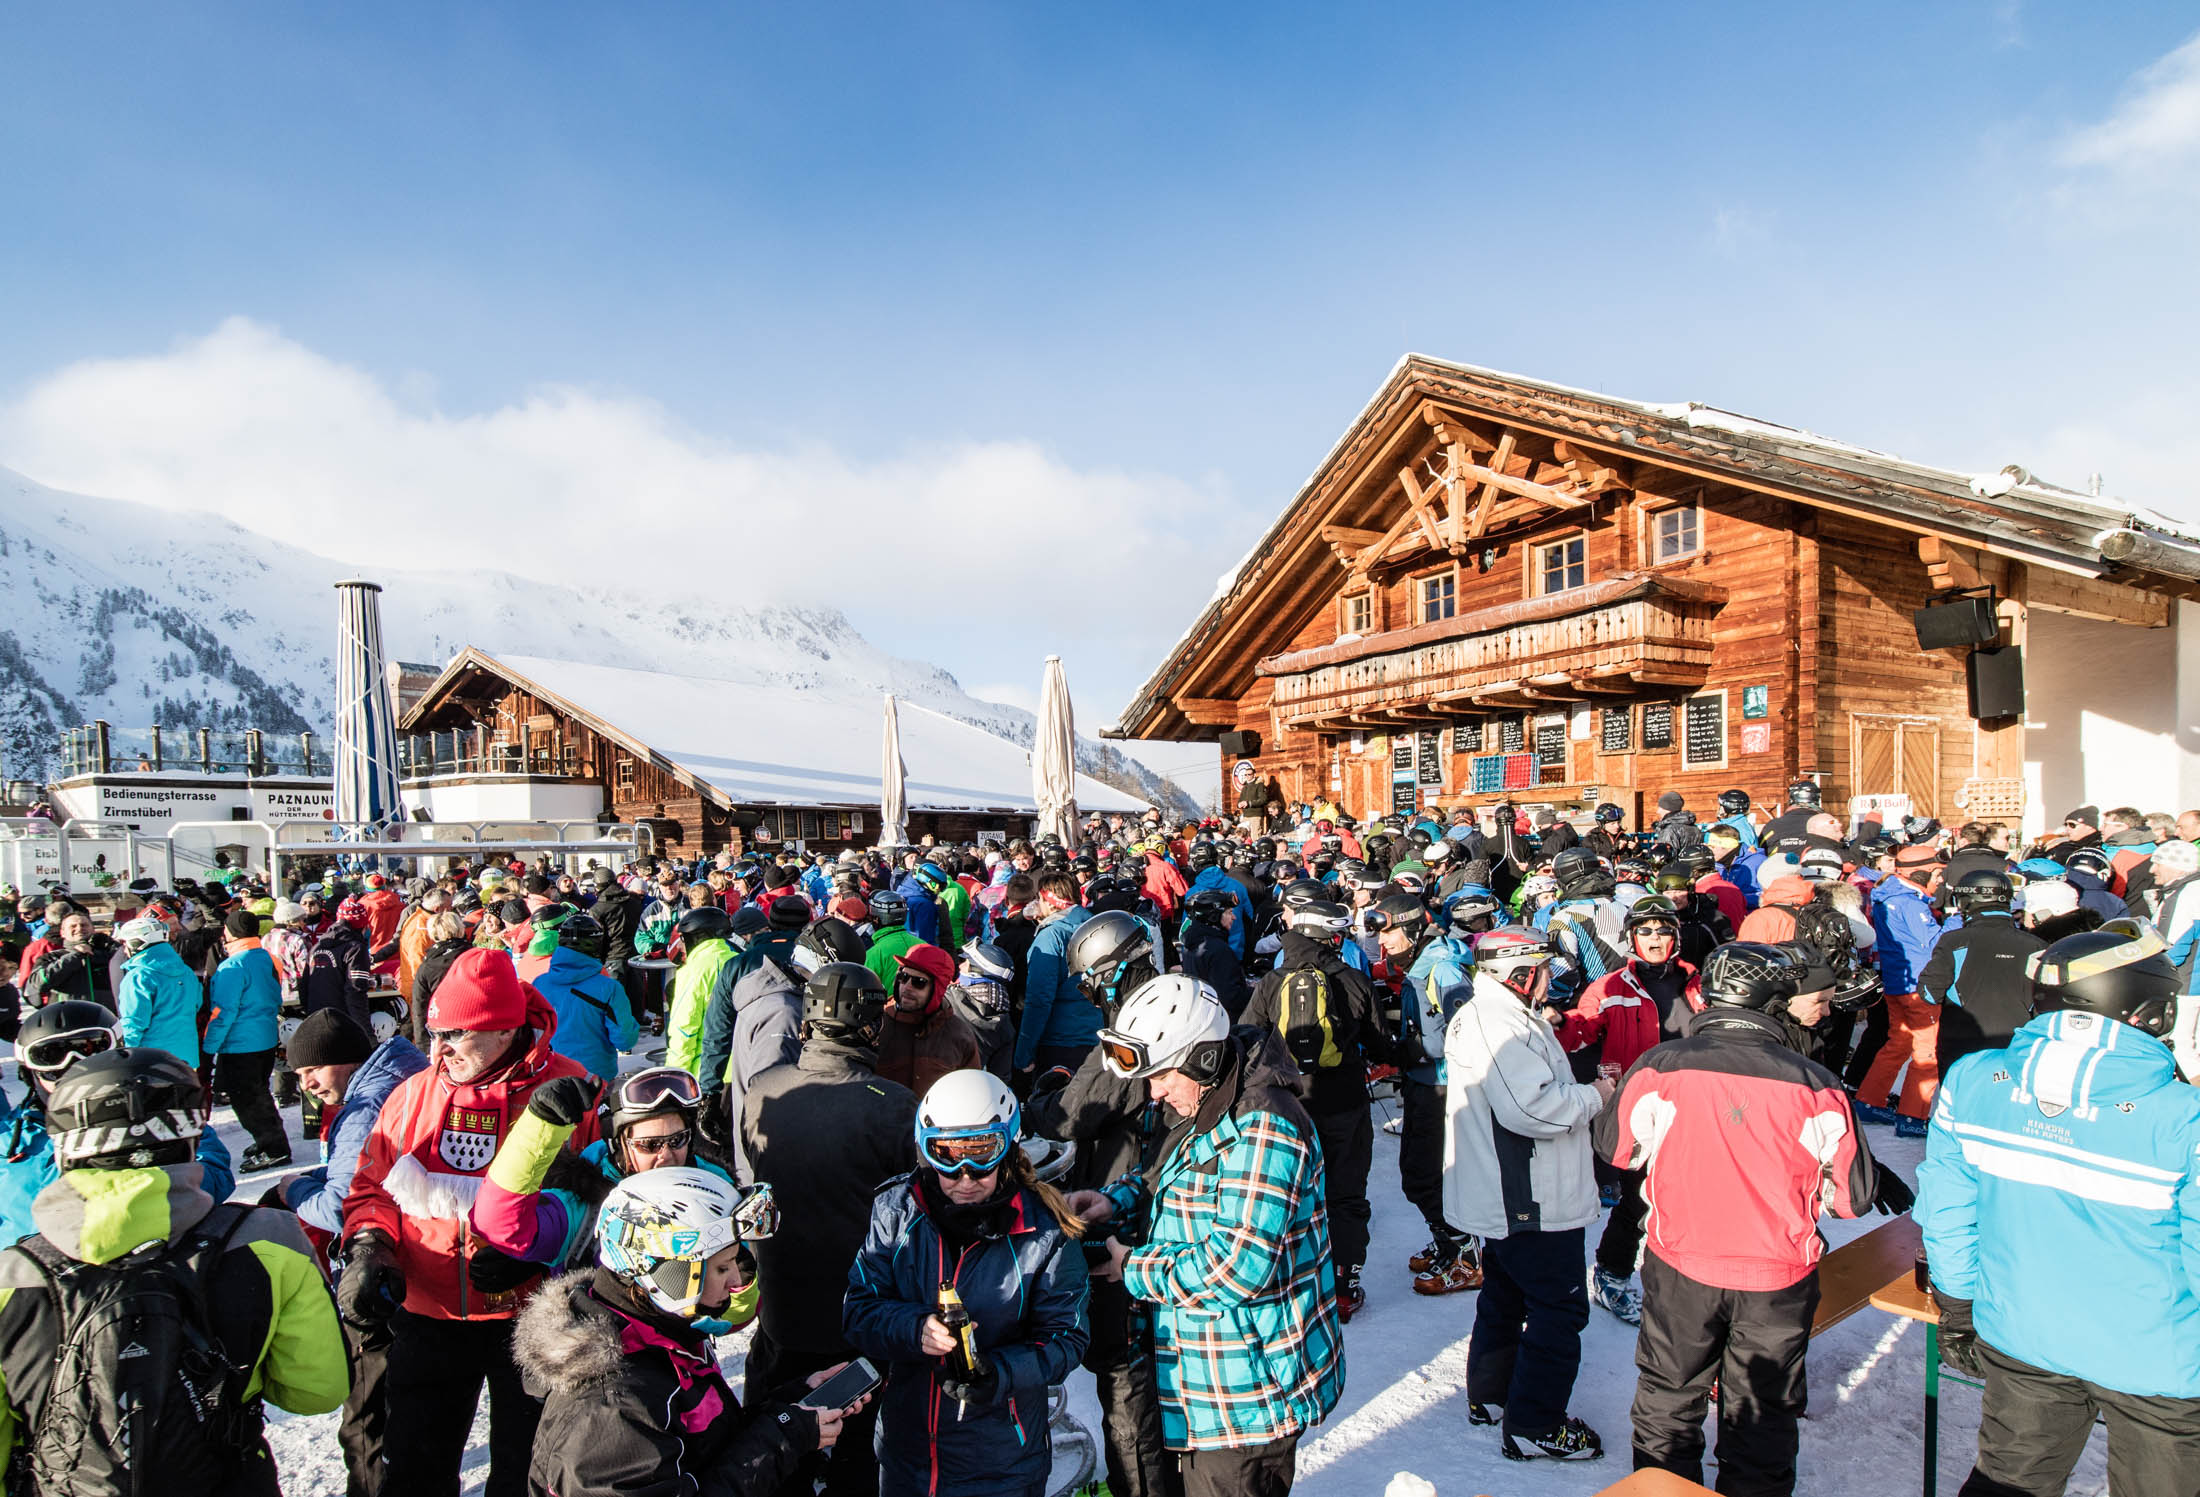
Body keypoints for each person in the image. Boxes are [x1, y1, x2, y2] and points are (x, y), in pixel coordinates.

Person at [1917, 923, 2200, 1496]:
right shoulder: (2183, 1116)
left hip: (2022, 1334)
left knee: (2008, 1482)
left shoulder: (1973, 1080)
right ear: (2151, 1012)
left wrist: (1957, 1305)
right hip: (2162, 1361)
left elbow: (1947, 1210)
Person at [1595, 943, 1881, 1497]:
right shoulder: (1815, 1081)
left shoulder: (1661, 1064)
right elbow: (1852, 1198)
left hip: (1682, 1261)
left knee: (1669, 1397)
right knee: (1761, 1409)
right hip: (1775, 1272)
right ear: (1774, 1004)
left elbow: (1619, 1150)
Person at [0, 1046, 349, 1495]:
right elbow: (317, 1390)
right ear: (188, 1133)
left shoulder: (13, 1273)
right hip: (226, 1477)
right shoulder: (267, 1239)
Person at [339, 948, 598, 1497]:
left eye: (455, 1035)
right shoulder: (414, 1094)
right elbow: (371, 1187)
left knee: (526, 1471)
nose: (439, 1050)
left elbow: (598, 1201)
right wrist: (370, 1247)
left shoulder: (567, 1090)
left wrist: (534, 1253)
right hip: (428, 1314)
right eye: (435, 1034)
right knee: (414, 1470)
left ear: (504, 1029)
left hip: (533, 1316)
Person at [1074, 977, 1345, 1497]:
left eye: (1162, 1077)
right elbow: (1176, 1176)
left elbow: (1237, 1265)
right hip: (1207, 1381)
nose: (1153, 1092)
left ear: (1200, 1059)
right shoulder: (1212, 1102)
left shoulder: (1266, 1127)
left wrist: (1131, 1267)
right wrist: (1117, 1198)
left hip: (1247, 1400)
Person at [515, 1167, 859, 1497]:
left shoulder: (657, 1331)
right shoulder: (613, 1409)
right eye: (722, 1267)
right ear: (667, 1273)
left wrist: (787, 1408)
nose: (737, 1281)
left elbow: (699, 1451)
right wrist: (783, 1437)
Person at [844, 1070, 1091, 1497]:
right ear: (926, 1152)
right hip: (909, 1455)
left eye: (982, 1156)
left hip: (1001, 1462)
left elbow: (1067, 1337)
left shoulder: (1044, 1232)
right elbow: (859, 1310)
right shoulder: (898, 1212)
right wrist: (913, 1328)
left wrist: (1001, 1373)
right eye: (947, 1157)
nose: (964, 1177)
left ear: (1008, 1151)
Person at [740, 962, 917, 1497]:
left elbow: (753, 1174)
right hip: (860, 1322)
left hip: (783, 1311)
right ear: (869, 1027)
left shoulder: (763, 1089)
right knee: (860, 1460)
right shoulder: (893, 1107)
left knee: (775, 1450)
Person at [1018, 912, 1178, 1497]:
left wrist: (1040, 1099)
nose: (1085, 993)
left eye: (1089, 982)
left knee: (1125, 1374)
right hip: (1141, 1196)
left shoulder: (1133, 1031)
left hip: (1129, 1211)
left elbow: (1073, 1111)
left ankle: (1139, 1483)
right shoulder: (1167, 1009)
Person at [1443, 927, 1608, 1462]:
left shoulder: (1500, 1014)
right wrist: (1596, 1094)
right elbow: (1533, 1108)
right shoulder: (1498, 1022)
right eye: (1540, 970)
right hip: (1530, 1196)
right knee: (1557, 1310)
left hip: (1514, 1191)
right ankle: (1535, 1423)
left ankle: (1492, 1396)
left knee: (1506, 1294)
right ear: (1519, 973)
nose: (1546, 981)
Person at [274, 1007, 426, 1497]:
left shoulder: (365, 1106)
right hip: (422, 1258)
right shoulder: (405, 1071)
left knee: (366, 1405)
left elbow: (343, 1208)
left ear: (342, 1059)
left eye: (312, 1070)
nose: (308, 1085)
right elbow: (363, 1172)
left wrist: (291, 1192)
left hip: (384, 1264)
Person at [1553, 895, 1702, 1326]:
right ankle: (1612, 1272)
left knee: (1691, 1195)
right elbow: (1583, 1029)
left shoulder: (1697, 984)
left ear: (1675, 934)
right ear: (1632, 937)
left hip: (1694, 1104)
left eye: (1663, 929)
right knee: (1639, 1198)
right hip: (1638, 1108)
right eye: (1646, 930)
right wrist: (1560, 1025)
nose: (1655, 938)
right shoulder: (1611, 987)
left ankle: (1683, 1273)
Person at [1241, 895, 1384, 1320]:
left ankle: (1287, 1278)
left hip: (1288, 1105)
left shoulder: (1273, 980)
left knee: (1288, 1191)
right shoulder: (1354, 980)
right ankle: (1343, 1285)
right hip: (1345, 1102)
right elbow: (1379, 1043)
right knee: (1345, 1193)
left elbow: (1248, 1035)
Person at [0, 1001, 235, 1250]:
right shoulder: (8, 1140)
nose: (74, 1069)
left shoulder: (165, 1114)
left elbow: (214, 1175)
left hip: (151, 1264)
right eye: (52, 1057)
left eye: (92, 1051)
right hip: (39, 1275)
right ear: (31, 1073)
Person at [1376, 891, 1481, 1296]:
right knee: (1419, 1174)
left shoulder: (1443, 967)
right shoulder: (1425, 962)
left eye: (1390, 934)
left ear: (1413, 927)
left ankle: (1465, 1255)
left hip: (1444, 1086)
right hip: (1425, 1081)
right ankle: (1447, 1241)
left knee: (1427, 1176)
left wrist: (1414, 1048)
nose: (1383, 943)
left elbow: (1466, 1029)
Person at [1917, 868, 2045, 1079]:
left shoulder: (1954, 941)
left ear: (1967, 902)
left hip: (1963, 1048)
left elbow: (1930, 994)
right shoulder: (2036, 944)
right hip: (2017, 1047)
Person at [1860, 844, 1948, 1137]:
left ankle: (1869, 1100)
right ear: (1919, 874)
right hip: (1917, 987)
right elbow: (1934, 943)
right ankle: (1913, 1115)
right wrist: (1959, 921)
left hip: (1897, 982)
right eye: (1937, 874)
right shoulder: (1910, 903)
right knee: (1927, 1052)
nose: (1940, 880)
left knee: (1898, 1043)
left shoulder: (1889, 896)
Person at [206, 905, 291, 1171]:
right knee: (259, 1093)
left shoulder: (233, 965)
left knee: (248, 1100)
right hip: (264, 1036)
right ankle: (269, 1140)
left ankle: (274, 1147)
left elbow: (223, 1010)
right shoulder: (265, 956)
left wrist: (209, 1044)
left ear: (231, 933)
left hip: (241, 1042)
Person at [526, 911, 639, 1083]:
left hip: (549, 1074)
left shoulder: (539, 983)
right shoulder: (608, 988)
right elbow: (624, 1040)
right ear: (597, 945)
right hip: (594, 1076)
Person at [1014, 872, 1098, 1076]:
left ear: (1051, 903)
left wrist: (1024, 1052)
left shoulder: (1052, 936)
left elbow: (1039, 999)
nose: (1037, 903)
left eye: (1040, 899)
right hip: (1097, 1035)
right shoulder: (1097, 925)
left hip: (1061, 1042)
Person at [876, 942, 984, 1098]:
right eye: (903, 977)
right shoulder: (877, 1023)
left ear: (938, 989)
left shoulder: (958, 1034)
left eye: (918, 982)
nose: (906, 987)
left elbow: (972, 1092)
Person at [112, 914, 203, 1066]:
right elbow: (196, 1004)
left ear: (137, 943)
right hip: (187, 1057)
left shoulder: (139, 976)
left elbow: (133, 1022)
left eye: (124, 943)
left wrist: (124, 1055)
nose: (124, 948)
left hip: (151, 1060)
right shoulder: (186, 971)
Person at [665, 904, 737, 1079]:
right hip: (744, 1067)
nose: (681, 946)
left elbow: (684, 1028)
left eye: (683, 939)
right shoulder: (740, 961)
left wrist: (675, 1075)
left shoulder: (693, 971)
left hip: (706, 1070)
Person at [1179, 888, 1249, 1017]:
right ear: (1214, 916)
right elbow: (1230, 997)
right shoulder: (1219, 949)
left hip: (1201, 1013)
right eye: (1229, 912)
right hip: (1221, 1019)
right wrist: (1254, 992)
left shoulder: (1192, 941)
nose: (1234, 917)